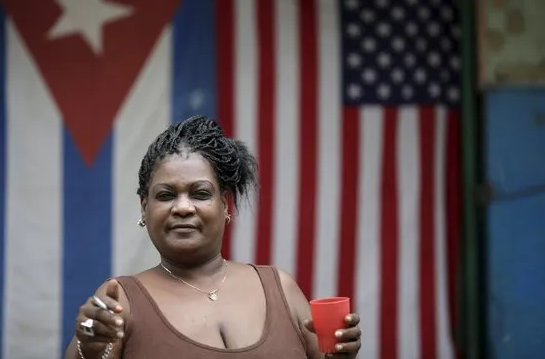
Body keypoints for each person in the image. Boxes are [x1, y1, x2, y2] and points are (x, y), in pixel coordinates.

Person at [64, 115, 362, 359]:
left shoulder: (280, 288)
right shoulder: (119, 300)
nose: (182, 207)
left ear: (224, 205)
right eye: (166, 195)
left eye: (200, 193)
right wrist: (85, 349)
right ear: (145, 207)